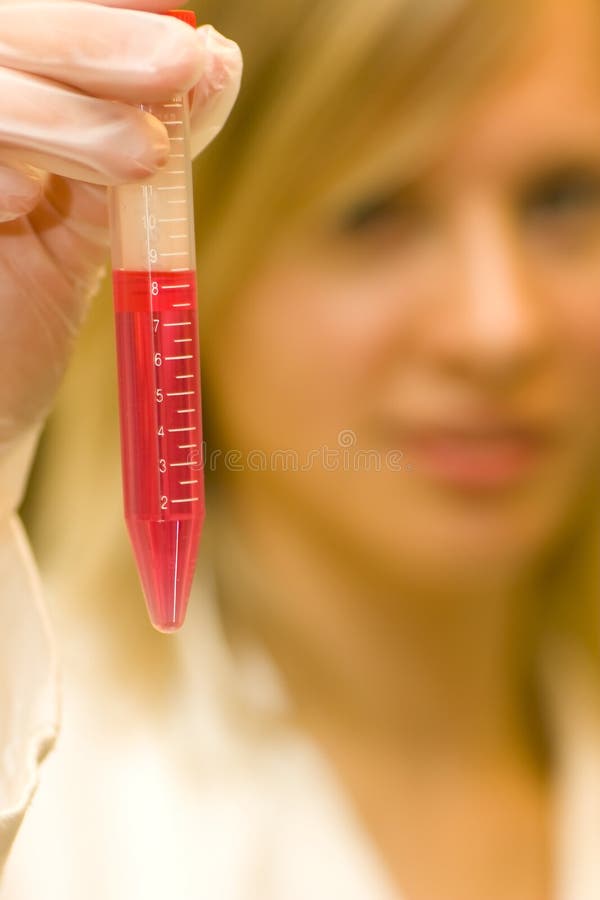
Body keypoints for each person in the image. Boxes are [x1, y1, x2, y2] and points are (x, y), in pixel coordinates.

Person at [2, 0, 600, 897]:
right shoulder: (43, 801)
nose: (499, 328)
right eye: (375, 211)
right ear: (199, 254)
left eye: (562, 198)